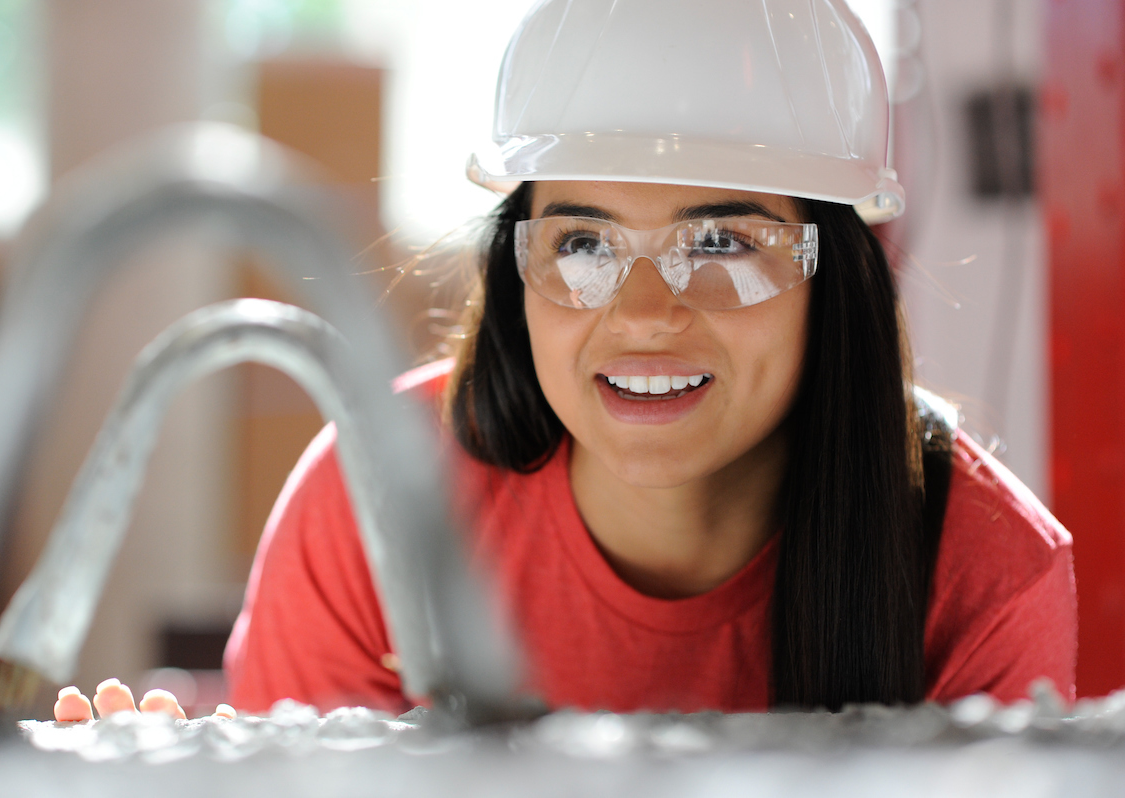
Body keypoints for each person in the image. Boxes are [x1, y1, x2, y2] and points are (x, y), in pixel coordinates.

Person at [53, 0, 1075, 721]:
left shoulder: (983, 569)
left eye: (721, 244)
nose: (641, 314)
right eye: (582, 245)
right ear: (516, 266)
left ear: (838, 280)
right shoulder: (375, 497)